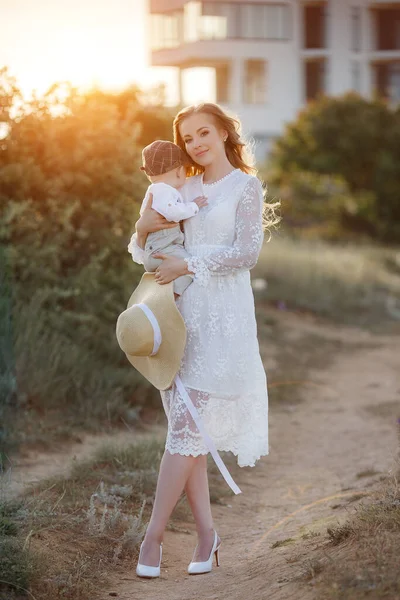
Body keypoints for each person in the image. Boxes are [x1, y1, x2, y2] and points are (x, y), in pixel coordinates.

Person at [128, 102, 280, 577]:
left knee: (186, 433)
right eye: (187, 137)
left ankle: (151, 539)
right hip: (180, 318)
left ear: (223, 133)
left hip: (225, 319)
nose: (195, 144)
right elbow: (142, 247)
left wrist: (188, 263)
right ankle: (207, 535)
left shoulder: (245, 186)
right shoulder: (180, 186)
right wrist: (142, 229)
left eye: (202, 133)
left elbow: (246, 253)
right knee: (186, 429)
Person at [128, 140, 208, 300]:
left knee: (186, 268)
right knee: (190, 267)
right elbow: (172, 213)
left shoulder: (155, 190)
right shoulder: (164, 190)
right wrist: (193, 206)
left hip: (155, 250)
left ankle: (165, 297)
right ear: (179, 171)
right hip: (164, 249)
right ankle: (170, 299)